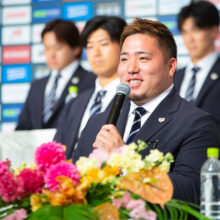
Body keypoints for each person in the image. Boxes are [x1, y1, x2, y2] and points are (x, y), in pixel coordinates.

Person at [72, 18, 220, 204]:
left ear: (171, 66)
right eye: (124, 59)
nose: (131, 68)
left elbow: (191, 192)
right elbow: (74, 184)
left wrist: (123, 158)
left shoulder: (198, 125)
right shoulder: (98, 123)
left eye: (143, 58)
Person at [54, 16, 127, 159]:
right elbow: (59, 149)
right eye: (90, 46)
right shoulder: (75, 104)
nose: (96, 53)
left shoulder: (134, 101)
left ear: (124, 47)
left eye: (103, 44)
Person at [16, 19, 96, 130]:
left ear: (76, 48)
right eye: (47, 48)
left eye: (58, 48)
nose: (51, 54)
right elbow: (22, 130)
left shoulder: (92, 81)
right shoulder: (37, 86)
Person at [174, 1, 220, 124]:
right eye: (184, 31)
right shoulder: (173, 77)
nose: (189, 39)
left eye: (196, 30)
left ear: (214, 31)